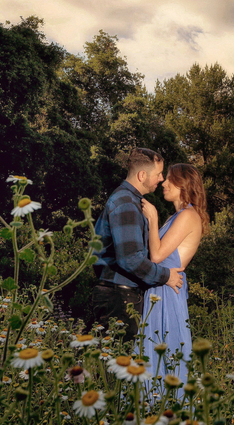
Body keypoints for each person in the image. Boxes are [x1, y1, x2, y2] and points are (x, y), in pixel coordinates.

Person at [91, 148, 184, 342]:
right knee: (120, 367)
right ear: (142, 175)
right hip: (120, 299)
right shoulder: (126, 203)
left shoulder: (130, 200)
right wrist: (166, 276)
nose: (161, 179)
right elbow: (130, 259)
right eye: (158, 174)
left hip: (118, 295)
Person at [140, 163, 208, 385]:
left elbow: (157, 256)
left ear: (184, 184)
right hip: (161, 289)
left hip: (167, 294)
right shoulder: (178, 216)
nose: (164, 183)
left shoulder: (188, 215)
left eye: (170, 179)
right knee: (153, 359)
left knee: (163, 359)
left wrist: (152, 218)